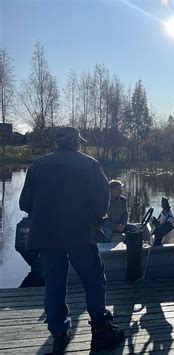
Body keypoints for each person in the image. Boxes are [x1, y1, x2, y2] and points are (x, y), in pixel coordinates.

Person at [19, 127, 124, 353]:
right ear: (76, 142)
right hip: (79, 234)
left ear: (57, 143)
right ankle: (100, 332)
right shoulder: (90, 165)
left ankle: (59, 333)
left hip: (46, 235)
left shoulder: (37, 166)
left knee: (54, 283)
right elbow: (100, 206)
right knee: (93, 279)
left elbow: (25, 203)